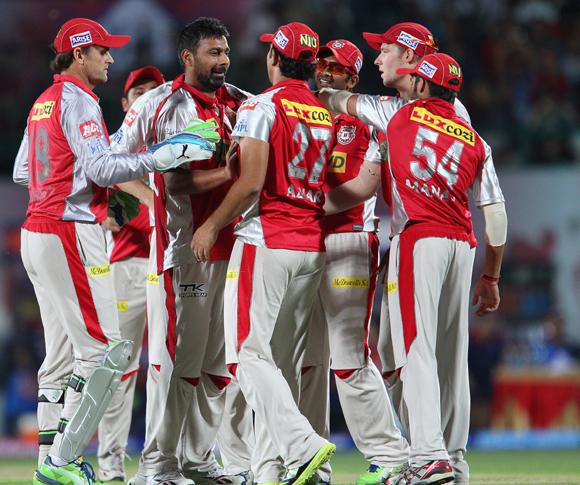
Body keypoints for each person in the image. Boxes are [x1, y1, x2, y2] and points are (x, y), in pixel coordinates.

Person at [12, 17, 217, 485]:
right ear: (79, 55)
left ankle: (51, 456)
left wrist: (72, 186)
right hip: (68, 232)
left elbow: (25, 170)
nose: (110, 58)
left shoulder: (43, 102)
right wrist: (167, 153)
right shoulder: (79, 99)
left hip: (39, 230)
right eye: (103, 51)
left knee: (61, 357)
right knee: (107, 353)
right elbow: (103, 167)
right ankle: (60, 459)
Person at [323, 52, 507, 485]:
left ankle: (428, 455)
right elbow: (495, 214)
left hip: (419, 238)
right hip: (463, 244)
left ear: (421, 85)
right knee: (449, 357)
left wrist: (321, 90)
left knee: (414, 350)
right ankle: (454, 461)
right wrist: (492, 276)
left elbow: (340, 102)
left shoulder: (397, 114)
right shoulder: (474, 138)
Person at [191, 22, 337, 485]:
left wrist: (212, 224)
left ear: (274, 58)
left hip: (267, 238)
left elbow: (251, 182)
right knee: (281, 363)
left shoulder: (260, 105)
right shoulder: (321, 111)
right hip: (310, 245)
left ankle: (303, 445)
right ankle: (271, 471)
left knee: (246, 357)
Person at [110, 17, 251, 485]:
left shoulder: (242, 103)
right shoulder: (160, 104)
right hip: (181, 248)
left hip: (232, 248)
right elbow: (164, 177)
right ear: (188, 57)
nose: (223, 60)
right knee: (174, 360)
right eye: (213, 52)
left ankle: (197, 460)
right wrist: (136, 198)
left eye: (225, 50)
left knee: (216, 365)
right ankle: (157, 464)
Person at [298, 39, 409, 485]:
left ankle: (391, 457)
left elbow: (360, 188)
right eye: (320, 63)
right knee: (308, 361)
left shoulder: (363, 122)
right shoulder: (301, 112)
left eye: (335, 67)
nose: (324, 71)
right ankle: (309, 460)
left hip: (348, 242)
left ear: (351, 78)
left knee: (348, 357)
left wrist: (297, 205)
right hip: (306, 241)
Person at [98, 65, 165, 482]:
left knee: (164, 368)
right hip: (124, 265)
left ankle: (159, 463)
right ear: (125, 104)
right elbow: (90, 188)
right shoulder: (110, 148)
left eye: (153, 91)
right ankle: (109, 465)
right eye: (137, 91)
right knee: (120, 370)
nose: (144, 97)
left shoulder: (179, 142)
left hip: (166, 265)